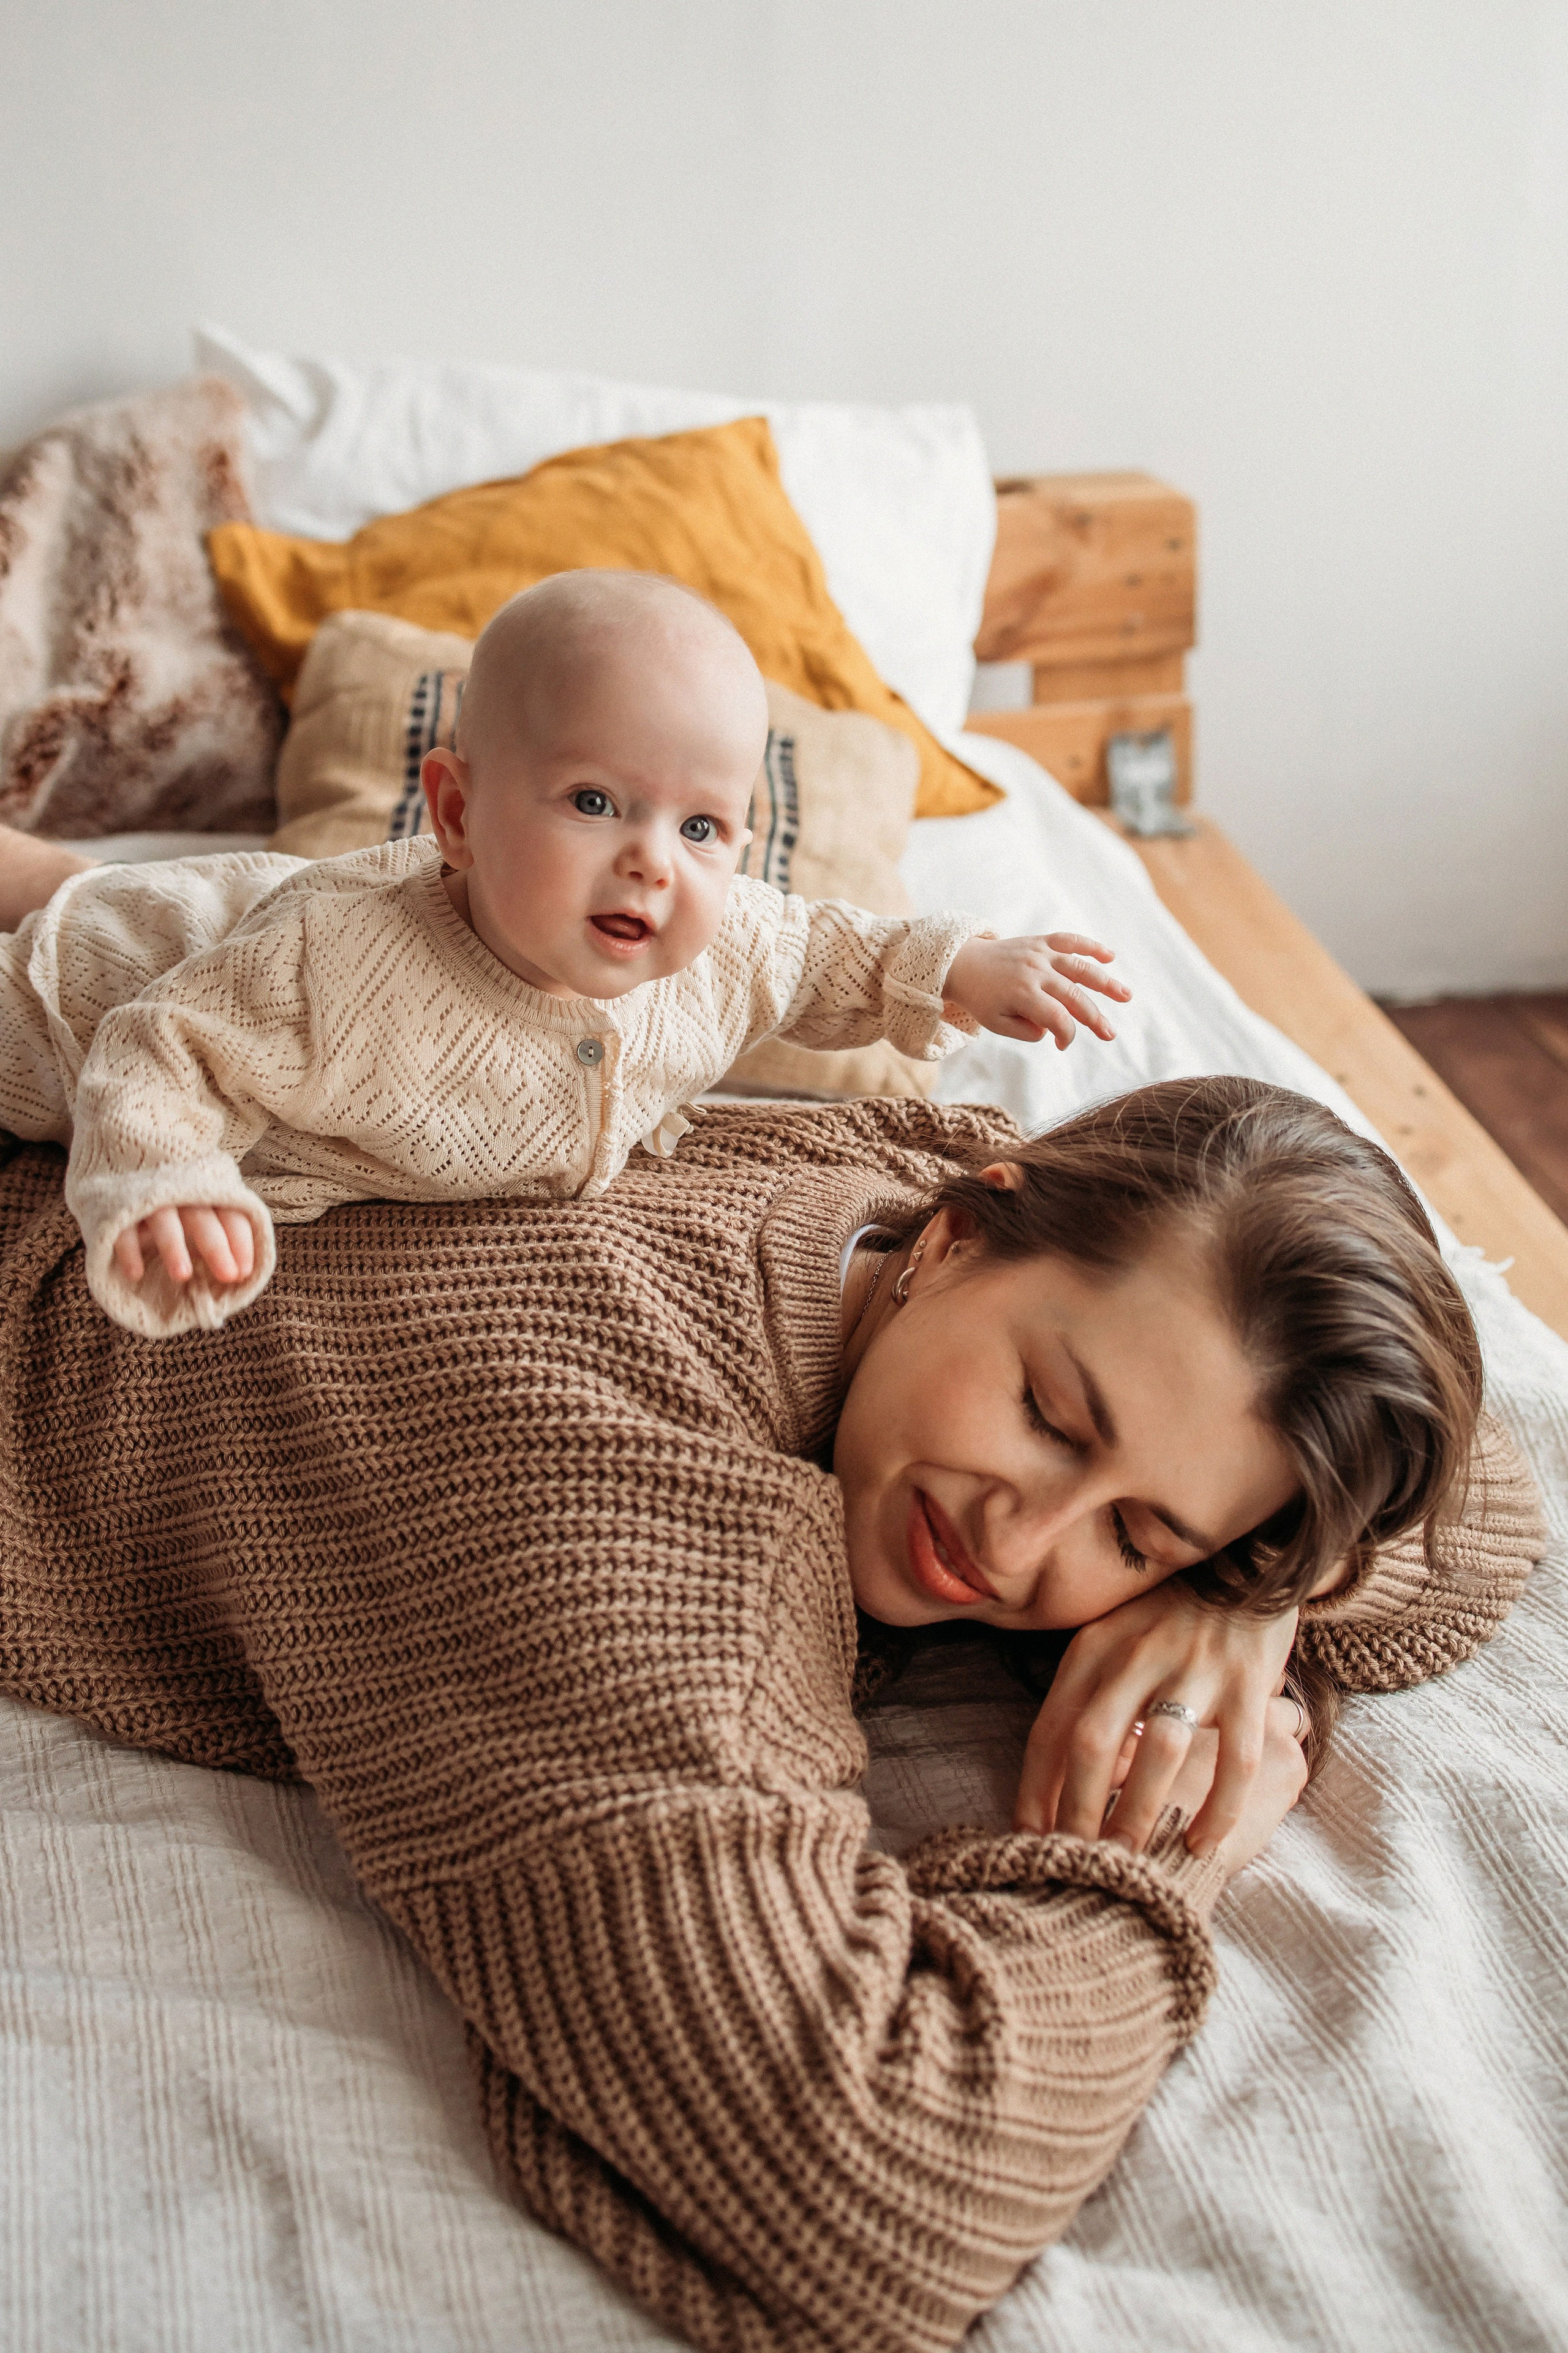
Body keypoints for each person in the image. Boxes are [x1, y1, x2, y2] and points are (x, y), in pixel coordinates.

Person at [0, 1075, 1544, 2353]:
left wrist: (1244, 1592)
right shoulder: (626, 1525)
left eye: (1133, 1534)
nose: (1020, 1547)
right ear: (956, 1240)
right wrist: (1153, 1872)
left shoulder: (877, 1185)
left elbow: (1472, 1495)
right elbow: (867, 2179)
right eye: (1050, 1417)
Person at [0, 569, 1128, 1338]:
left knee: (110, 894)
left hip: (227, 917)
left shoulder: (720, 943)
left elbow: (828, 949)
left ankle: (40, 870)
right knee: (92, 939)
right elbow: (163, 1044)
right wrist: (166, 1179)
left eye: (700, 827)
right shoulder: (339, 969)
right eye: (595, 800)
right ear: (455, 813)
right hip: (90, 1006)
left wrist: (962, 969)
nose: (654, 862)